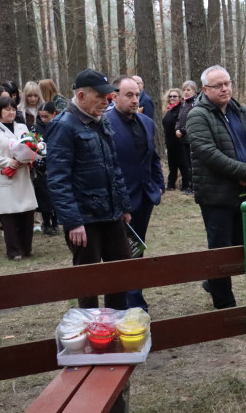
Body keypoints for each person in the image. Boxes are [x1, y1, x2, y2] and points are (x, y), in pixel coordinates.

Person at [45, 68, 133, 309]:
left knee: (121, 272)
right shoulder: (63, 126)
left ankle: (116, 322)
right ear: (82, 96)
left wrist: (124, 206)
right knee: (88, 281)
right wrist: (73, 222)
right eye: (100, 96)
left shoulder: (101, 121)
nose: (106, 101)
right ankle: (91, 327)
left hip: (112, 214)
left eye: (108, 96)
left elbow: (113, 168)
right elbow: (58, 180)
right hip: (84, 220)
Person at [186, 65, 246, 309]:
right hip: (217, 197)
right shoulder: (197, 115)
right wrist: (243, 172)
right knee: (220, 252)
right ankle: (224, 304)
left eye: (227, 83)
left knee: (244, 246)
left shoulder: (242, 111)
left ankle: (213, 282)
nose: (225, 89)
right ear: (205, 90)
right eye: (218, 85)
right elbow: (207, 152)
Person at [106, 76, 164, 310]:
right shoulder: (105, 124)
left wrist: (158, 184)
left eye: (137, 95)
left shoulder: (146, 122)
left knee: (137, 248)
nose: (134, 100)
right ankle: (127, 301)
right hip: (120, 199)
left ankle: (135, 297)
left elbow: (153, 157)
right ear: (114, 96)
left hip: (145, 196)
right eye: (128, 95)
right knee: (120, 252)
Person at [0, 95, 37, 260]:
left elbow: (32, 146)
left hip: (22, 174)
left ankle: (26, 248)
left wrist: (30, 157)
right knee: (9, 214)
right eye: (7, 109)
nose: (11, 112)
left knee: (27, 211)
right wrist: (7, 162)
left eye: (13, 109)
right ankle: (14, 250)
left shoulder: (22, 127)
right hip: (5, 175)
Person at [32, 102, 59, 235]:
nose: (43, 119)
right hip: (41, 168)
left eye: (46, 116)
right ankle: (47, 223)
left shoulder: (60, 126)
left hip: (57, 165)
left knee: (56, 196)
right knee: (44, 197)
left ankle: (56, 222)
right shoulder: (36, 128)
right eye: (41, 116)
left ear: (54, 114)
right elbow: (32, 146)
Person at [162, 88, 191, 192]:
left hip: (179, 142)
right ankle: (171, 185)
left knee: (183, 165)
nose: (172, 98)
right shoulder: (170, 109)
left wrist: (181, 132)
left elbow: (185, 124)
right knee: (172, 166)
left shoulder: (181, 109)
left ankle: (186, 186)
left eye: (174, 96)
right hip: (170, 143)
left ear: (180, 97)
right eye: (170, 96)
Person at [174, 80, 199, 196]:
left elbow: (192, 121)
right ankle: (189, 185)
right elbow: (179, 119)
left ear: (194, 91)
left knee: (193, 164)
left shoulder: (196, 104)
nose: (186, 92)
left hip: (191, 138)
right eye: (184, 90)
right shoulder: (184, 104)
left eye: (188, 90)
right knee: (187, 164)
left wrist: (183, 131)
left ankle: (195, 187)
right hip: (183, 139)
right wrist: (177, 129)